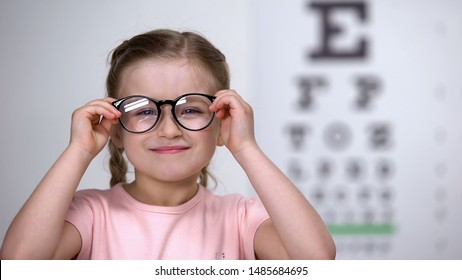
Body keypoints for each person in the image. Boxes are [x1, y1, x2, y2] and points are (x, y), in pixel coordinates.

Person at [1, 29, 335, 260]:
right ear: (116, 129)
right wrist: (78, 151)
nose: (169, 129)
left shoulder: (240, 218)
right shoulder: (90, 215)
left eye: (189, 109)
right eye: (144, 110)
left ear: (222, 124)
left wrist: (246, 147)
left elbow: (317, 259)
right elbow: (19, 263)